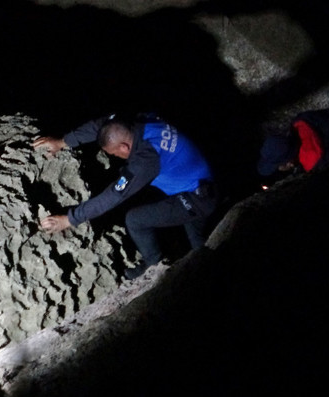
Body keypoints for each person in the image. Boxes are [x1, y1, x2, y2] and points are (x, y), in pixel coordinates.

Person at [34, 113, 217, 279]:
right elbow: (102, 126)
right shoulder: (139, 121)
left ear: (123, 147)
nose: (115, 156)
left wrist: (70, 219)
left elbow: (115, 195)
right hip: (199, 178)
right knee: (200, 246)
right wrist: (63, 141)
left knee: (136, 220)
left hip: (197, 198)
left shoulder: (146, 159)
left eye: (114, 153)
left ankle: (154, 266)